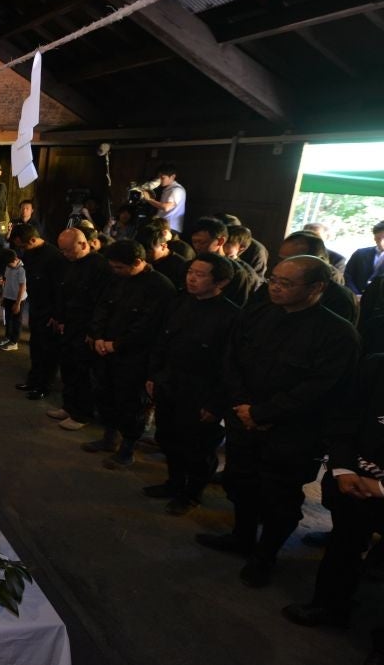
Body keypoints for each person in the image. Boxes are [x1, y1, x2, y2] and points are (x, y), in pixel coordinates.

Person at [198, 255, 360, 588]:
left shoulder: (337, 333)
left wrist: (263, 414)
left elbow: (320, 388)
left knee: (279, 498)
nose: (275, 287)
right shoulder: (256, 314)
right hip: (244, 420)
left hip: (293, 432)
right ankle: (241, 537)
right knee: (240, 482)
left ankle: (265, 556)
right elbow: (231, 360)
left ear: (317, 287)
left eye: (286, 283)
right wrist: (243, 407)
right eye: (273, 280)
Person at [283, 355, 384, 633]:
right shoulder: (375, 367)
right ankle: (329, 606)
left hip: (375, 485)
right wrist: (343, 468)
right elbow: (343, 417)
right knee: (344, 542)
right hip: (355, 480)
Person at [145, 253, 240, 514]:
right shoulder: (179, 302)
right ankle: (174, 483)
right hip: (169, 383)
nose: (192, 278)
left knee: (197, 447)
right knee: (168, 437)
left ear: (221, 281)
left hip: (201, 392)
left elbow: (230, 365)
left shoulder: (231, 316)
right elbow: (161, 342)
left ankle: (192, 494)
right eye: (190, 272)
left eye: (200, 275)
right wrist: (153, 376)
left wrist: (216, 403)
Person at [82, 240, 176, 468]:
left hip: (135, 356)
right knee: (106, 395)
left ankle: (127, 449)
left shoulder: (160, 287)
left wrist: (117, 345)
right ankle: (109, 438)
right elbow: (102, 306)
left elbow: (147, 326)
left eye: (120, 267)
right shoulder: (117, 278)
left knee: (131, 404)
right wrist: (98, 336)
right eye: (113, 266)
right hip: (106, 349)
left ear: (138, 262)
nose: (115, 271)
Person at [45, 228, 112, 430]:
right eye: (62, 250)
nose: (64, 254)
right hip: (69, 324)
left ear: (83, 244)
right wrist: (58, 317)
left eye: (68, 250)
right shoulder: (68, 263)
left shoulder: (100, 266)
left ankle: (82, 414)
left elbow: (101, 303)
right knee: (68, 367)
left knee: (82, 372)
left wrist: (94, 332)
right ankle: (69, 407)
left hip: (86, 328)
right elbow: (62, 291)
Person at [245, 231, 358, 324]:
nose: (285, 265)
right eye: (281, 260)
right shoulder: (270, 287)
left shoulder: (339, 298)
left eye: (294, 260)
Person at [11, 224, 65, 401]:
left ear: (33, 240)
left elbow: (59, 289)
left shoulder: (54, 257)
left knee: (47, 350)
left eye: (23, 246)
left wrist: (56, 315)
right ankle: (33, 380)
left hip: (49, 311)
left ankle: (44, 385)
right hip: (35, 306)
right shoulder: (29, 253)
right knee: (35, 347)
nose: (21, 250)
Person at [189, 217, 258, 306]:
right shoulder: (191, 264)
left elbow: (237, 306)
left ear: (220, 241)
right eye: (194, 242)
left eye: (202, 242)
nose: (197, 246)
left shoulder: (237, 272)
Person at [137, 163, 186, 233]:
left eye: (162, 178)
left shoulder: (176, 190)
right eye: (158, 177)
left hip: (170, 228)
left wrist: (149, 199)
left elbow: (166, 207)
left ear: (173, 176)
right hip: (163, 226)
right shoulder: (168, 188)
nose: (160, 180)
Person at [0, 248, 26, 352]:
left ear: (15, 259)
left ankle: (14, 342)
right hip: (8, 297)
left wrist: (17, 303)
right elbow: (6, 281)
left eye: (9, 264)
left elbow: (22, 287)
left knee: (16, 320)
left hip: (18, 299)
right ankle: (7, 337)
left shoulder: (21, 270)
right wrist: (3, 297)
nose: (8, 266)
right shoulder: (8, 266)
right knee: (8, 319)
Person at [345, 220, 384, 297]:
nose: (381, 242)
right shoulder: (360, 253)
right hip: (355, 297)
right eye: (378, 238)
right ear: (374, 237)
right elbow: (347, 275)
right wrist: (355, 294)